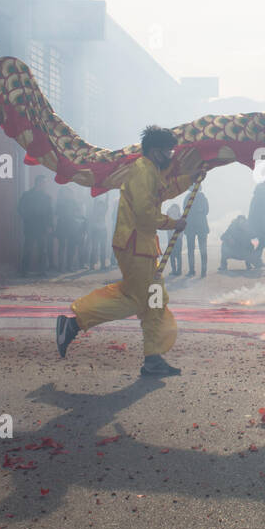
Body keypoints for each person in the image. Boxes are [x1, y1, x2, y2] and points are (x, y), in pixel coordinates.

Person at [54, 126, 205, 376]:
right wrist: (172, 223)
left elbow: (164, 190)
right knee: (139, 300)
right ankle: (72, 325)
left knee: (154, 301)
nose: (171, 155)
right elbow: (145, 214)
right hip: (135, 246)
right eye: (168, 150)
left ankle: (153, 358)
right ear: (156, 152)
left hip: (142, 247)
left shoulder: (150, 171)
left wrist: (192, 177)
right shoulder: (142, 171)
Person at [18, 175, 54, 276]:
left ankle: (42, 271)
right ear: (37, 183)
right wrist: (27, 217)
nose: (44, 185)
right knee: (28, 249)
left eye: (45, 183)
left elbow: (50, 213)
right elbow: (20, 208)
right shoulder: (27, 195)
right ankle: (24, 271)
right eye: (43, 182)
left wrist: (50, 226)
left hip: (42, 228)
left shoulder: (47, 197)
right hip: (30, 226)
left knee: (43, 250)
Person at [55, 185, 83, 273]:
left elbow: (79, 213)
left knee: (71, 247)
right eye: (65, 192)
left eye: (69, 192)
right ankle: (61, 267)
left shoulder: (74, 202)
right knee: (62, 247)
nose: (67, 194)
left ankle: (69, 266)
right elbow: (56, 213)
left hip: (72, 226)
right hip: (62, 226)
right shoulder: (59, 202)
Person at [185, 187, 210, 277]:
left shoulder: (201, 197)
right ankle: (195, 270)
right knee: (194, 250)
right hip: (194, 226)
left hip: (198, 227)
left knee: (200, 249)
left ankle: (200, 270)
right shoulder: (193, 197)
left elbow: (206, 210)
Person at [248, 182, 265, 266]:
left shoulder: (259, 197)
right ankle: (254, 258)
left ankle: (257, 260)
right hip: (258, 224)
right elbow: (257, 212)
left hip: (258, 223)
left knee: (263, 241)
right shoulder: (260, 197)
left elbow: (264, 208)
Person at [87, 193, 110, 271]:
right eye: (100, 205)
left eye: (102, 205)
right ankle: (92, 265)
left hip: (103, 231)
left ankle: (103, 265)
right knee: (94, 248)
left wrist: (107, 193)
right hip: (96, 231)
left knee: (103, 248)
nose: (101, 207)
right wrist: (96, 193)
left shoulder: (104, 211)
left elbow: (107, 202)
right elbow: (95, 201)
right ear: (97, 206)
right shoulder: (95, 210)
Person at [164, 203, 183, 276]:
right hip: (178, 238)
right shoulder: (180, 215)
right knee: (178, 255)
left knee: (172, 255)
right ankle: (179, 271)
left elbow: (167, 227)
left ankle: (174, 270)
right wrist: (180, 236)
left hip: (171, 237)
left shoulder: (168, 214)